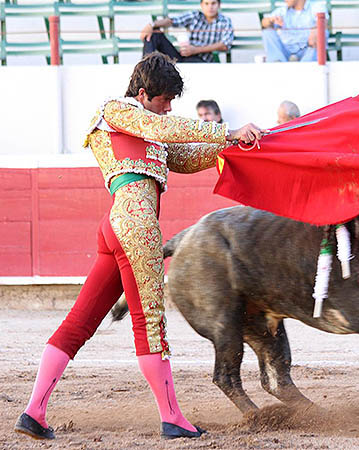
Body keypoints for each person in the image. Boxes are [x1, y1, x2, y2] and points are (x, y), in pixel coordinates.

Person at [14, 52, 261, 441]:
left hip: (118, 227)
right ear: (143, 93)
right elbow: (162, 127)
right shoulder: (116, 111)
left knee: (80, 322)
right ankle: (172, 417)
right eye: (164, 100)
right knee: (150, 323)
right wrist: (225, 130)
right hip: (137, 226)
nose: (169, 108)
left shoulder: (148, 128)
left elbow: (185, 155)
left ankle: (34, 412)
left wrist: (233, 145)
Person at [140, 0, 233, 63]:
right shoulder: (195, 15)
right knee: (155, 34)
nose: (210, 7)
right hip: (183, 56)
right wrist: (151, 25)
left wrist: (195, 50)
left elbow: (225, 45)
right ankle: (145, 70)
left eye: (213, 3)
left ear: (219, 5)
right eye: (206, 3)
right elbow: (172, 21)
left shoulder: (225, 21)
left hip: (202, 60)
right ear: (202, 5)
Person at [261, 0, 327, 62]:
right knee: (267, 32)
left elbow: (324, 22)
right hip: (285, 51)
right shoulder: (282, 11)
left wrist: (316, 30)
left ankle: (305, 66)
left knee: (321, 32)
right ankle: (277, 63)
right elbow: (264, 23)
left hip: (307, 50)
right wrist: (271, 20)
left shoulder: (316, 6)